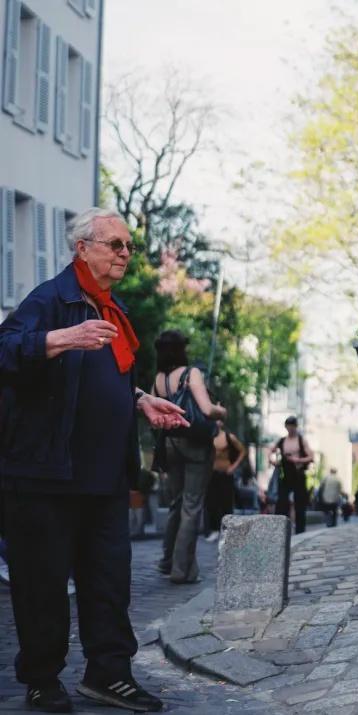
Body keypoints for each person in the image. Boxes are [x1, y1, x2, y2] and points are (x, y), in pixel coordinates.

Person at [0, 207, 189, 713]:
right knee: (41, 586)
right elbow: (6, 351)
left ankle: (109, 674)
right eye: (115, 244)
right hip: (44, 476)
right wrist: (63, 338)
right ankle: (42, 680)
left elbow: (105, 381)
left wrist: (141, 401)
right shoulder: (51, 300)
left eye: (128, 246)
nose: (125, 253)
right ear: (82, 247)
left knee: (109, 583)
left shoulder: (109, 307)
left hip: (103, 478)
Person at [153, 331, 226, 584]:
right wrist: (222, 411)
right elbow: (207, 409)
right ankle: (182, 570)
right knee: (192, 505)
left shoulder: (159, 379)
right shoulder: (190, 373)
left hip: (170, 443)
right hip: (195, 444)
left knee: (177, 502)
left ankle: (167, 561)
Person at [270, 416, 314, 533]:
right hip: (285, 474)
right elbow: (271, 451)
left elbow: (311, 456)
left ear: (295, 427)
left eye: (292, 427)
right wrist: (272, 460)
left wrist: (298, 460)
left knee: (300, 503)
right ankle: (281, 529)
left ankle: (300, 529)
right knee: (282, 502)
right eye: (288, 427)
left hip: (298, 473)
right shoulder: (282, 441)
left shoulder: (301, 440)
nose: (290, 429)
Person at [205, 421, 246, 542]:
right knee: (211, 502)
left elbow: (243, 451)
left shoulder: (229, 437)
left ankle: (228, 530)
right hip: (211, 473)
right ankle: (214, 530)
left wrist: (234, 467)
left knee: (226, 502)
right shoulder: (208, 436)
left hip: (226, 472)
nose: (216, 422)